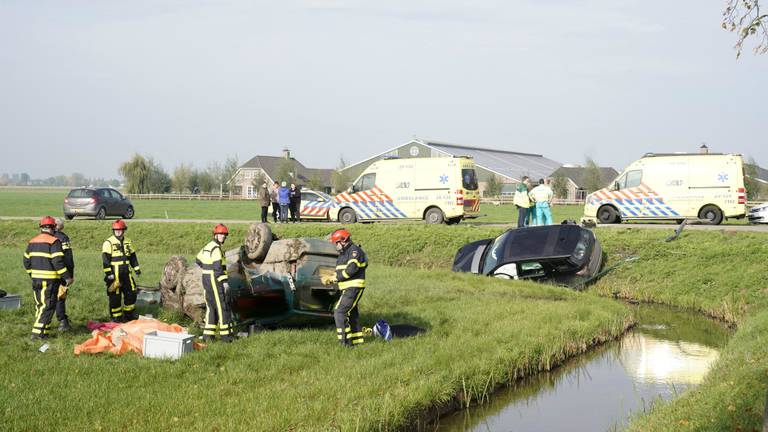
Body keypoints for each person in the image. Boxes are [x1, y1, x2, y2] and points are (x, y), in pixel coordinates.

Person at [23, 216, 73, 339]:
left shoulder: (32, 241)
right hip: (50, 280)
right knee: (48, 307)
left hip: (36, 280)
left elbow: (26, 260)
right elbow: (58, 262)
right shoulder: (54, 241)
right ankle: (37, 333)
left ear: (41, 227)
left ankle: (44, 332)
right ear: (53, 227)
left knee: (41, 305)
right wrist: (67, 277)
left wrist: (32, 274)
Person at [323, 229, 367, 347]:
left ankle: (345, 343)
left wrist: (335, 278)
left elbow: (351, 269)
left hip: (353, 288)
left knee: (339, 313)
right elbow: (343, 270)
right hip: (348, 288)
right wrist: (331, 276)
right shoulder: (344, 253)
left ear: (343, 241)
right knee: (352, 314)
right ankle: (358, 343)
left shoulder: (354, 252)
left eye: (336, 243)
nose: (335, 246)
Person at [195, 224, 234, 343]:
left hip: (206, 278)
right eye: (221, 234)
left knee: (211, 307)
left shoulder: (208, 246)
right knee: (223, 307)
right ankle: (226, 336)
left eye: (224, 235)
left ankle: (208, 336)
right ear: (216, 235)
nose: (223, 237)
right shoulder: (216, 249)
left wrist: (207, 268)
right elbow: (218, 269)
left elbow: (198, 260)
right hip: (215, 280)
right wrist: (225, 283)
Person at [101, 219, 141, 322]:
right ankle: (116, 317)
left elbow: (132, 256)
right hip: (115, 272)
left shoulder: (128, 241)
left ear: (124, 230)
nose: (118, 232)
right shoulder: (108, 242)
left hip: (126, 271)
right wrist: (109, 274)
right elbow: (105, 259)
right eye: (116, 230)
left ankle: (128, 315)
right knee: (115, 296)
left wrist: (136, 268)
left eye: (120, 230)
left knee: (131, 292)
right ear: (113, 231)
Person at [53, 217, 75, 331]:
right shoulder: (63, 238)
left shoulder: (46, 237)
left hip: (46, 273)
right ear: (61, 226)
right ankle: (62, 321)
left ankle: (43, 323)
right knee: (60, 296)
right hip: (62, 272)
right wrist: (69, 275)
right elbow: (68, 257)